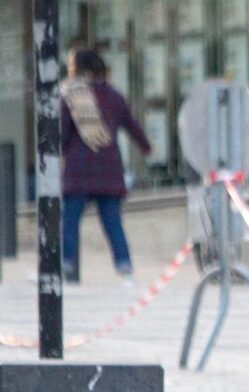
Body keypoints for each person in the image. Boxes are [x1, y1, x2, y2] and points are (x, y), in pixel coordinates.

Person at [60, 48, 152, 283]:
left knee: (69, 221)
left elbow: (62, 133)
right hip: (108, 168)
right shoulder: (114, 95)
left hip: (79, 168)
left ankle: (63, 264)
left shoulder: (71, 94)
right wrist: (146, 148)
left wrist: (58, 153)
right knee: (113, 223)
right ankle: (125, 268)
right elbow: (132, 125)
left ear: (77, 68)